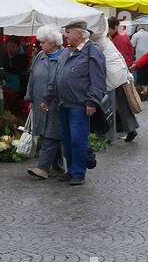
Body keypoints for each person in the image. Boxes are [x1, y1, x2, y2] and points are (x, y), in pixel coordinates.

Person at [42, 21, 105, 187]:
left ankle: (78, 172)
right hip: (63, 103)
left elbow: (97, 79)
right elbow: (56, 77)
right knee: (67, 140)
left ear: (80, 33)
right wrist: (47, 97)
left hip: (80, 104)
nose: (66, 35)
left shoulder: (92, 51)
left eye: (69, 32)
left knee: (78, 139)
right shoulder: (67, 52)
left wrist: (92, 100)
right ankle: (70, 170)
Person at [23, 26, 66, 180]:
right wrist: (30, 98)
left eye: (43, 42)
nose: (40, 45)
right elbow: (32, 78)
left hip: (55, 102)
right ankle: (59, 167)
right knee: (44, 133)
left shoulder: (63, 57)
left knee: (52, 134)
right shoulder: (40, 56)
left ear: (54, 43)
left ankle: (42, 168)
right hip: (39, 102)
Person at [94, 17, 137, 143]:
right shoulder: (105, 39)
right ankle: (131, 129)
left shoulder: (98, 40)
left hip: (112, 77)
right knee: (122, 105)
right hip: (120, 74)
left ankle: (109, 136)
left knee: (108, 107)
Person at [131, 23, 148, 98]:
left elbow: (132, 45)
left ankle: (141, 90)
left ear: (138, 29)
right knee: (147, 74)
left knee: (140, 74)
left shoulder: (135, 35)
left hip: (140, 57)